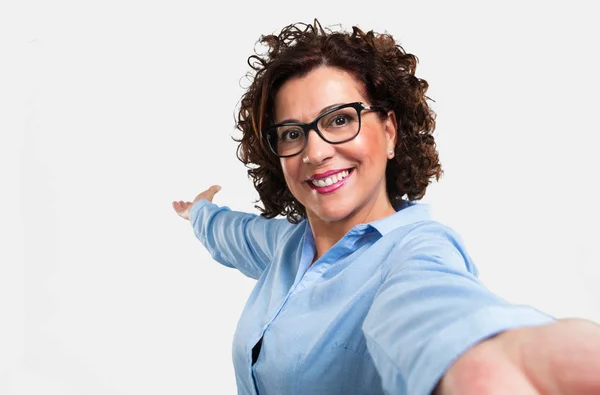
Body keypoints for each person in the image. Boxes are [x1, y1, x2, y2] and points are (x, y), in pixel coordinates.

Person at [172, 20, 600, 395]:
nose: (315, 152)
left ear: (390, 131)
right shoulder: (284, 245)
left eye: (340, 119)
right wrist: (200, 212)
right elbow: (228, 232)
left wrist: (477, 351)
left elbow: (431, 309)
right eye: (291, 133)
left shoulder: (415, 252)